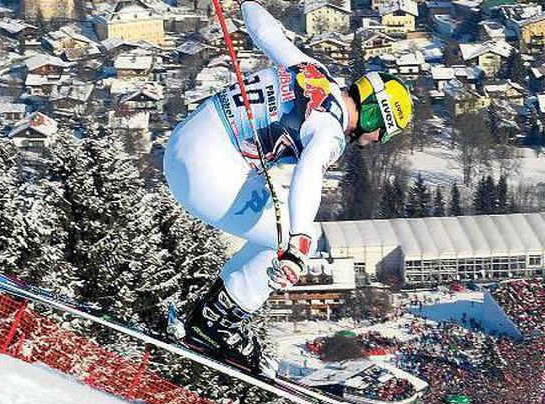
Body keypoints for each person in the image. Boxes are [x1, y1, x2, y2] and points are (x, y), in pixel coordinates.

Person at [163, 0, 413, 370]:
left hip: (181, 147)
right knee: (296, 237)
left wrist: (244, 3)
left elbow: (266, 33)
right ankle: (216, 323)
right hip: (207, 173)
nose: (378, 141)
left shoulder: (315, 73)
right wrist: (297, 245)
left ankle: (210, 313)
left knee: (274, 228)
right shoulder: (330, 131)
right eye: (383, 132)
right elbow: (308, 175)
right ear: (375, 112)